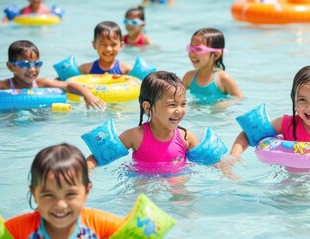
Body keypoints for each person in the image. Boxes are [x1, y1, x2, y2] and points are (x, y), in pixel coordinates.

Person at [86, 71, 237, 179]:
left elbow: (211, 161)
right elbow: (100, 156)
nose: (179, 110)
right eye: (172, 105)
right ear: (147, 107)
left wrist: (228, 173)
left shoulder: (186, 138)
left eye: (183, 104)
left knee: (179, 185)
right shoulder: (135, 136)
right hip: (143, 180)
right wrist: (87, 169)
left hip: (177, 180)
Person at [4, 143, 124, 238]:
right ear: (34, 193)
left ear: (86, 191)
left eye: (70, 194)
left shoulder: (102, 227)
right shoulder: (15, 231)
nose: (60, 205)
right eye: (48, 195)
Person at [0, 40, 105, 110]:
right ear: (11, 66)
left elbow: (67, 85)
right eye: (25, 65)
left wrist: (87, 95)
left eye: (37, 64)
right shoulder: (4, 86)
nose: (32, 69)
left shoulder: (41, 83)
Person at [182, 28, 244, 104]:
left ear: (216, 54)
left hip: (216, 115)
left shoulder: (223, 79)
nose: (191, 53)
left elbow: (240, 98)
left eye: (198, 49)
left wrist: (223, 104)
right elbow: (175, 95)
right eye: (190, 48)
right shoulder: (189, 77)